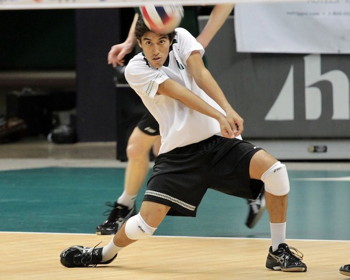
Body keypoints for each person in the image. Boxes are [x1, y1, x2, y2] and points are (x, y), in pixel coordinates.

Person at [60, 16, 307, 272]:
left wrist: (228, 109)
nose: (155, 50)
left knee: (275, 171)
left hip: (219, 144)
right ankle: (104, 253)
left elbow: (200, 73)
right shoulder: (136, 70)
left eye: (161, 41)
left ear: (170, 39)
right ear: (139, 44)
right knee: (145, 226)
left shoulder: (182, 37)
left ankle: (278, 251)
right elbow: (179, 93)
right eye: (147, 43)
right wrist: (219, 115)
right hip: (179, 155)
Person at [96, 6, 265, 235]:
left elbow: (226, 3)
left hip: (184, 67)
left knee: (144, 146)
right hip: (159, 72)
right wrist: (129, 42)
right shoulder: (142, 59)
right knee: (150, 147)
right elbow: (143, 12)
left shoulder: (182, 37)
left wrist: (202, 41)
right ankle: (253, 188)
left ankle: (126, 207)